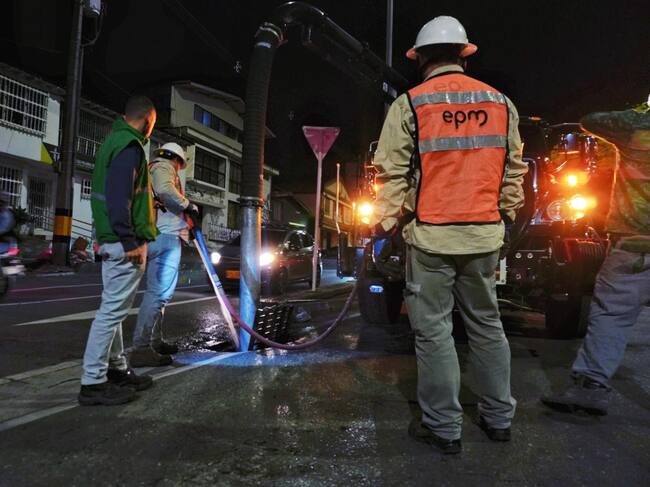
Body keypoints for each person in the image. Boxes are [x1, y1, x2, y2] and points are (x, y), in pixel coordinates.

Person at [370, 16, 528, 454]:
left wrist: (386, 225)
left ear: (419, 57)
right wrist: (505, 216)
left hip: (431, 238)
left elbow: (391, 173)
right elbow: (513, 170)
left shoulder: (411, 104)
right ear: (463, 54)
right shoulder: (500, 103)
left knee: (435, 333)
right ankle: (499, 419)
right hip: (484, 237)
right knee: (487, 326)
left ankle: (444, 428)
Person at [542, 96, 650, 415]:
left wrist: (641, 112)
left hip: (635, 244)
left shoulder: (636, 128)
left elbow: (591, 120)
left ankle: (590, 387)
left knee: (611, 314)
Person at [79, 95, 159, 406]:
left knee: (113, 311)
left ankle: (116, 369)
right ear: (148, 120)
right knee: (110, 314)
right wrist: (130, 242)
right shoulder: (130, 146)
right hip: (123, 242)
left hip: (113, 239)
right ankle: (93, 382)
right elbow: (119, 197)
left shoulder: (113, 140)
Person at [130, 142, 198, 366]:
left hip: (155, 235)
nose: (178, 168)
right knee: (158, 294)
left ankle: (155, 341)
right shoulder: (163, 167)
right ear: (176, 159)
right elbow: (165, 190)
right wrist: (188, 205)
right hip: (164, 238)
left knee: (158, 295)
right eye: (180, 164)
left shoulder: (151, 168)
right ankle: (141, 348)